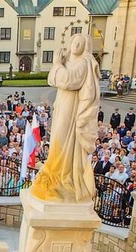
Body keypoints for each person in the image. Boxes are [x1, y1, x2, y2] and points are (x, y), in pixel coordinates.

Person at [31, 34, 100, 202]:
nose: (75, 45)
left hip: (71, 110)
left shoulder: (84, 63)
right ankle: (55, 172)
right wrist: (60, 63)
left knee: (62, 139)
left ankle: (62, 174)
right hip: (63, 106)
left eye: (79, 42)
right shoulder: (70, 63)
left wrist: (56, 64)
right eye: (74, 42)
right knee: (56, 137)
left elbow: (68, 80)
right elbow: (55, 80)